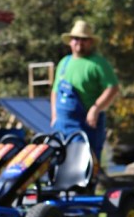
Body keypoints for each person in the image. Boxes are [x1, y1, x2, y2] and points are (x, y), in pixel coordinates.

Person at [51, 20, 119, 161]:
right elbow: (55, 91)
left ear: (90, 42)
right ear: (70, 41)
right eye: (76, 39)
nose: (79, 42)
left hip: (86, 124)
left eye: (84, 39)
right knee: (61, 163)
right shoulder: (64, 62)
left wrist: (96, 108)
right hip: (63, 124)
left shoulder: (98, 63)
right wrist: (54, 115)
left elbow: (112, 88)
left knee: (86, 163)